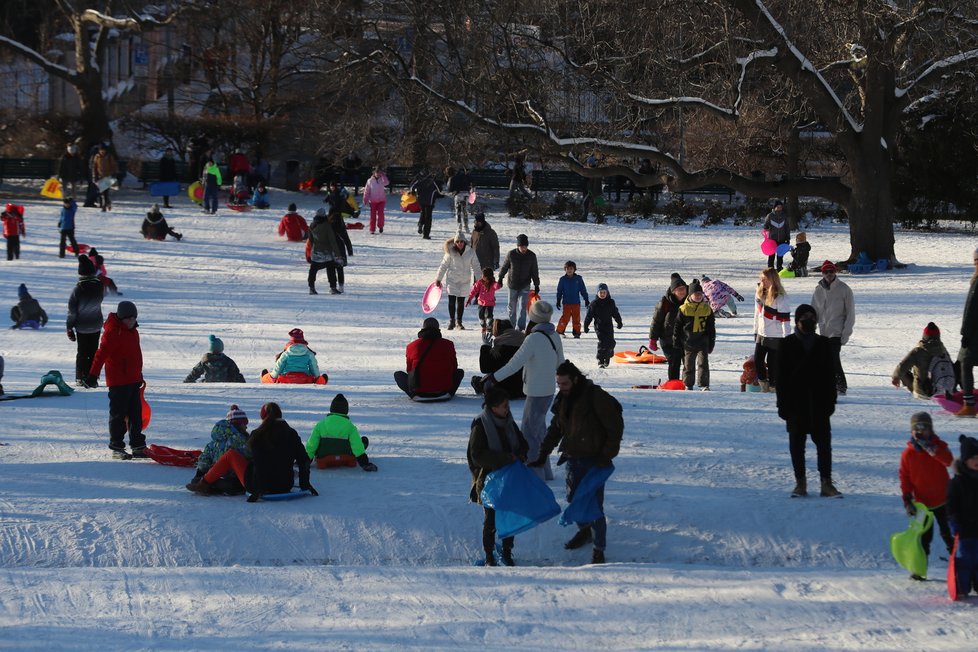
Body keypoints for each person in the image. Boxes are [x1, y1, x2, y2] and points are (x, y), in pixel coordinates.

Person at [531, 360, 623, 565]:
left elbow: (614, 426)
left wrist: (606, 455)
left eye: (564, 384)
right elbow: (556, 428)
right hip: (573, 457)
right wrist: (542, 454)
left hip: (595, 461)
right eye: (558, 384)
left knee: (594, 505)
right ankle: (585, 530)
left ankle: (599, 548)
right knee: (574, 500)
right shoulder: (563, 399)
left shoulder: (595, 396)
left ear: (575, 379)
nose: (561, 388)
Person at [482, 301, 563, 481]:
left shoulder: (533, 339)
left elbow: (514, 364)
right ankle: (546, 472)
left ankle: (536, 475)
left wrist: (494, 378)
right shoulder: (554, 336)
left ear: (533, 317)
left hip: (536, 392)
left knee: (529, 435)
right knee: (539, 431)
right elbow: (561, 364)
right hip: (548, 391)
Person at [187, 402, 317, 502]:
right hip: (285, 485)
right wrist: (305, 485)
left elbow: (259, 462)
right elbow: (304, 461)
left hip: (258, 486)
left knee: (231, 455)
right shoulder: (292, 434)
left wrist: (258, 489)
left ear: (263, 417)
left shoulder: (258, 434)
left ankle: (204, 483)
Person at [776, 303, 841, 498]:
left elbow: (831, 374)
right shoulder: (786, 344)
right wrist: (782, 404)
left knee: (824, 446)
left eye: (812, 317)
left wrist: (831, 402)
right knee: (797, 446)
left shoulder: (824, 343)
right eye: (804, 317)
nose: (808, 320)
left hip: (820, 403)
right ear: (797, 321)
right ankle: (800, 483)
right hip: (795, 404)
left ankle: (826, 483)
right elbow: (780, 378)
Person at [468, 386, 529, 566]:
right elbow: (476, 455)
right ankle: (489, 556)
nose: (507, 409)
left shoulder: (508, 422)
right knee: (492, 519)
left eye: (507, 405)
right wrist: (505, 458)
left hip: (509, 479)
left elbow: (522, 443)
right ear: (493, 408)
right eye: (503, 406)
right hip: (489, 480)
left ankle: (507, 552)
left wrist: (521, 454)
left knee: (509, 517)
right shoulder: (480, 425)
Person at [87, 301, 146, 459]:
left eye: (133, 318)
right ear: (121, 318)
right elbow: (101, 354)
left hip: (133, 379)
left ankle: (138, 445)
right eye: (128, 318)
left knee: (135, 415)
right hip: (118, 381)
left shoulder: (133, 331)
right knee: (118, 415)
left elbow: (136, 356)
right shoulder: (113, 331)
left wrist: (139, 376)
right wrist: (93, 374)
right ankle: (116, 446)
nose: (131, 321)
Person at [899, 411, 954, 576]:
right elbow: (905, 478)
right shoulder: (908, 454)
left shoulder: (940, 447)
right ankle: (919, 567)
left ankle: (958, 565)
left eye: (925, 428)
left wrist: (932, 449)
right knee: (923, 538)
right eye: (917, 429)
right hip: (922, 505)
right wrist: (907, 499)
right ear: (912, 432)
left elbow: (948, 461)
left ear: (931, 430)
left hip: (944, 500)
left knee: (949, 534)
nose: (922, 432)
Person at [811, 260, 855, 395]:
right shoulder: (818, 290)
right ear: (822, 273)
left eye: (831, 271)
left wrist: (846, 334)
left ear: (835, 272)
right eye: (826, 272)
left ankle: (841, 386)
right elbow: (813, 311)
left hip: (837, 332)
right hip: (823, 332)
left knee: (834, 359)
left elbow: (850, 314)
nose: (829, 274)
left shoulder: (844, 289)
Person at [394, 317, 465, 400]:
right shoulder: (448, 344)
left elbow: (409, 370)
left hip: (419, 391)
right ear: (438, 329)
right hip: (444, 390)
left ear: (423, 329)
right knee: (459, 372)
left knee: (398, 375)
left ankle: (414, 395)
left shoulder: (411, 346)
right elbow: (454, 367)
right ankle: (448, 393)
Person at [188, 404, 252, 494]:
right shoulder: (240, 439)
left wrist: (200, 475)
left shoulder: (214, 442)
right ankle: (215, 486)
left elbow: (204, 461)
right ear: (238, 424)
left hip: (213, 475)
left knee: (196, 481)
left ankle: (206, 484)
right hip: (233, 477)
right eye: (244, 424)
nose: (246, 427)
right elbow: (249, 455)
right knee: (235, 486)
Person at [306, 393, 378, 471]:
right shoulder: (350, 426)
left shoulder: (320, 425)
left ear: (332, 408)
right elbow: (357, 447)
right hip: (346, 457)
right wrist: (364, 463)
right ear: (346, 410)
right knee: (362, 441)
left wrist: (304, 461)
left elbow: (311, 445)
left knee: (316, 443)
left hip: (324, 457)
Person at [947, 434, 978, 598]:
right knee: (965, 560)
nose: (977, 460)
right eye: (973, 457)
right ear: (965, 459)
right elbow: (951, 504)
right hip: (964, 528)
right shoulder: (957, 482)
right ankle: (962, 587)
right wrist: (953, 520)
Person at [892, 322, 956, 399]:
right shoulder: (943, 350)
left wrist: (895, 378)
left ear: (925, 336)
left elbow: (902, 367)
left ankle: (918, 393)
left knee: (904, 372)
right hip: (942, 390)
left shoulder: (918, 351)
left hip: (922, 391)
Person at [67, 255, 105, 385]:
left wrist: (69, 327)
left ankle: (80, 377)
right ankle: (93, 377)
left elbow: (72, 311)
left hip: (82, 326)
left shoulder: (78, 289)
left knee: (82, 352)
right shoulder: (99, 286)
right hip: (96, 324)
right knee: (94, 351)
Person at [673, 279, 716, 390]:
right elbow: (677, 327)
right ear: (690, 295)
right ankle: (688, 384)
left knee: (703, 364)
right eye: (695, 294)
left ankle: (704, 384)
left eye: (700, 294)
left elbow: (711, 328)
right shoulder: (684, 309)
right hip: (689, 342)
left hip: (703, 342)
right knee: (688, 365)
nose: (698, 296)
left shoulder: (707, 309)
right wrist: (676, 341)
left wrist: (711, 342)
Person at [753, 267, 790, 392]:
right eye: (761, 279)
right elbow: (757, 314)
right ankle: (763, 384)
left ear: (772, 280)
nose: (762, 282)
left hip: (776, 334)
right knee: (758, 360)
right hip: (761, 333)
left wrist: (787, 338)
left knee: (772, 362)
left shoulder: (780, 297)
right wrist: (755, 330)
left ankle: (774, 385)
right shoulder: (759, 294)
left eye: (765, 279)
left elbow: (785, 319)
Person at [435, 233, 482, 330]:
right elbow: (443, 265)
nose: (459, 243)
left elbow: (476, 266)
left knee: (461, 302)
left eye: (461, 241)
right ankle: (452, 321)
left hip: (464, 280)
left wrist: (479, 280)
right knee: (451, 301)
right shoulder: (450, 252)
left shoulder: (471, 252)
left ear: (464, 242)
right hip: (452, 280)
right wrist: (438, 278)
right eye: (457, 241)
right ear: (454, 242)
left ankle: (459, 322)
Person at [648, 273, 688, 381]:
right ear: (673, 291)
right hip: (668, 339)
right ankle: (673, 383)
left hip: (685, 339)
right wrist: (653, 339)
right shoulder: (665, 303)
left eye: (683, 289)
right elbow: (656, 321)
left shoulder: (690, 301)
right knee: (674, 361)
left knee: (688, 363)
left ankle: (687, 384)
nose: (682, 291)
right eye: (679, 289)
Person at [498, 234, 540, 331]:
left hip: (525, 285)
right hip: (512, 284)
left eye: (525, 246)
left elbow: (534, 271)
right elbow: (504, 267)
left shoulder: (531, 256)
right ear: (518, 246)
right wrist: (500, 277)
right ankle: (512, 326)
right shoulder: (511, 254)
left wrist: (536, 284)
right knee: (511, 307)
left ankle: (520, 327)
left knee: (522, 307)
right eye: (521, 246)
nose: (523, 248)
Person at [475, 319, 526, 399]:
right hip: (524, 388)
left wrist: (485, 346)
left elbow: (485, 368)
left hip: (502, 389)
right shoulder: (526, 344)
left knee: (477, 381)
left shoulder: (499, 348)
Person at [307, 208, 352, 295]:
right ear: (324, 215)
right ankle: (333, 287)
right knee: (331, 268)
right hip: (326, 252)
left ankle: (311, 288)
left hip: (316, 252)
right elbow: (332, 241)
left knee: (313, 269)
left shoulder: (312, 225)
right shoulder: (327, 225)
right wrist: (338, 254)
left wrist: (313, 249)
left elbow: (311, 240)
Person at [956, 247, 978, 417]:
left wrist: (965, 333)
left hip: (974, 333)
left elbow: (971, 309)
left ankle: (969, 404)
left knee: (965, 362)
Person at [584, 283, 623, 369]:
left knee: (611, 342)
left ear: (607, 293)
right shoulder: (594, 304)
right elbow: (589, 316)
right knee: (602, 342)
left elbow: (615, 313)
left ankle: (608, 356)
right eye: (600, 292)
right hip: (599, 326)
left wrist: (619, 322)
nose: (602, 294)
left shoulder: (611, 302)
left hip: (608, 326)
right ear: (597, 293)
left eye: (604, 293)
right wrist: (586, 326)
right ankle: (601, 360)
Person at [467, 267, 503, 343]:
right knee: (481, 316)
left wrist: (500, 280)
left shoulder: (492, 283)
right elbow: (474, 291)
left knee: (489, 316)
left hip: (490, 303)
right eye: (482, 276)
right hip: (481, 303)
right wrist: (469, 298)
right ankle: (483, 326)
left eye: (484, 276)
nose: (482, 277)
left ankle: (490, 328)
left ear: (488, 276)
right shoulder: (480, 282)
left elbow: (497, 286)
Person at [555, 260, 590, 338]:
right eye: (567, 269)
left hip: (576, 303)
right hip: (566, 303)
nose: (569, 270)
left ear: (574, 270)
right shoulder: (562, 279)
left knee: (576, 319)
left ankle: (577, 332)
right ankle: (560, 331)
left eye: (571, 269)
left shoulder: (578, 279)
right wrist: (558, 300)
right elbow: (559, 291)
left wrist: (586, 299)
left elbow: (583, 290)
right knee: (565, 318)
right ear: (565, 270)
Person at [410, 171, 442, 240]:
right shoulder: (433, 181)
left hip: (420, 200)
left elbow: (412, 187)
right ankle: (426, 234)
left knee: (423, 212)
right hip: (429, 201)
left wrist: (414, 193)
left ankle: (420, 224)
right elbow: (440, 190)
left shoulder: (419, 180)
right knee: (428, 217)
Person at [445, 166, 474, 232]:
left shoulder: (452, 178)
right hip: (466, 194)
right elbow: (471, 182)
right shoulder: (465, 175)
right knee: (465, 211)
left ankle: (459, 226)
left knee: (458, 211)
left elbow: (449, 189)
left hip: (458, 195)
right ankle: (466, 226)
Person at [763, 200, 790, 270]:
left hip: (782, 239)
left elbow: (787, 228)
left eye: (780, 207)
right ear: (774, 207)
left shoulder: (784, 216)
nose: (779, 208)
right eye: (778, 207)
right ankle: (770, 269)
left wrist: (788, 238)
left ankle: (779, 268)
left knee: (780, 255)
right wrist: (767, 228)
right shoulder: (770, 216)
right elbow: (765, 226)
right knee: (771, 255)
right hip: (772, 239)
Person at [90, 143, 118, 212]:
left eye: (103, 150)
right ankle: (107, 203)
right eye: (101, 150)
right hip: (100, 176)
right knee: (101, 192)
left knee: (105, 192)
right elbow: (94, 167)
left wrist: (114, 173)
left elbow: (114, 165)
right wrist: (94, 175)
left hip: (108, 176)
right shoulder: (97, 157)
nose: (102, 152)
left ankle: (104, 206)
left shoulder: (109, 156)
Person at [362, 167, 389, 234]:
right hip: (373, 200)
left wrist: (383, 175)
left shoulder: (382, 180)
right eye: (377, 173)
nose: (378, 174)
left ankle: (380, 226)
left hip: (381, 200)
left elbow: (386, 183)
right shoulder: (370, 181)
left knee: (381, 214)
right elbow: (366, 191)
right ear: (374, 173)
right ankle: (372, 229)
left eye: (379, 173)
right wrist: (365, 199)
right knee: (373, 215)